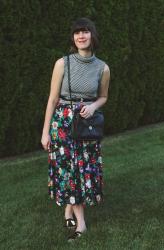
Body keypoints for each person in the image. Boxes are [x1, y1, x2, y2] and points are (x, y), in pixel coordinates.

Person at [41, 17, 110, 241]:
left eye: (85, 31)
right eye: (77, 32)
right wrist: (45, 132)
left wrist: (92, 107)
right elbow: (52, 100)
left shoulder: (103, 68)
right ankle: (81, 224)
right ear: (73, 37)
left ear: (92, 35)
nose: (81, 36)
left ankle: (69, 210)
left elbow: (103, 97)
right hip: (62, 125)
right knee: (69, 171)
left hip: (87, 124)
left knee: (82, 170)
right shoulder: (63, 63)